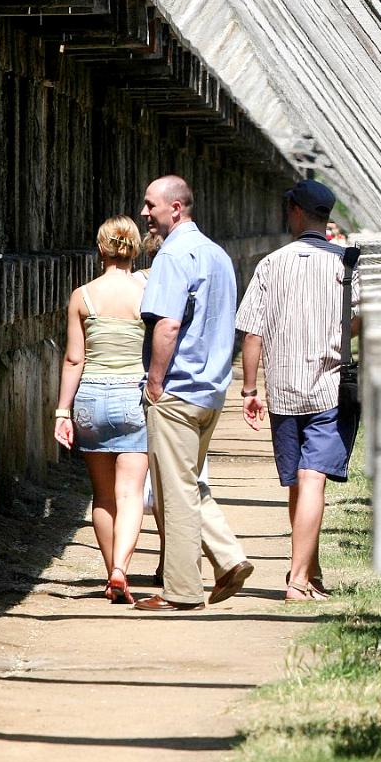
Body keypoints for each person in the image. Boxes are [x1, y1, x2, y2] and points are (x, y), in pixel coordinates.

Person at [133, 175, 253, 612]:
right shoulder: (217, 255)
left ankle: (182, 591)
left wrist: (155, 382)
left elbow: (167, 324)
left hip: (177, 391)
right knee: (187, 482)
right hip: (211, 390)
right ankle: (229, 559)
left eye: (151, 205)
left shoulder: (172, 255)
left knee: (174, 490)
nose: (145, 213)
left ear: (176, 208)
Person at [237, 180, 360, 601]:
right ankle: (298, 580)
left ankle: (307, 571)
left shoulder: (270, 265)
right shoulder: (346, 263)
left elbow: (252, 333)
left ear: (294, 210)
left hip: (283, 389)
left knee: (298, 482)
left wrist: (249, 389)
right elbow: (360, 319)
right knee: (312, 479)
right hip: (329, 386)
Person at [52, 216, 150, 605]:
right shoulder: (148, 292)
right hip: (133, 396)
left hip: (90, 398)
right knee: (130, 494)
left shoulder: (83, 296)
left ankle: (111, 570)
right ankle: (121, 569)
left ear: (100, 249)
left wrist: (62, 411)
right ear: (136, 248)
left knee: (103, 495)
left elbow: (74, 358)